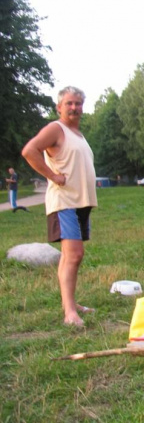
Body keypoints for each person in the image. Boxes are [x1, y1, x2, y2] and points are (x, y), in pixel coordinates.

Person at [21, 86, 98, 326]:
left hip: (80, 202)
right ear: (59, 107)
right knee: (74, 255)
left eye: (78, 103)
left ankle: (71, 304)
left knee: (70, 256)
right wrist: (53, 176)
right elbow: (29, 150)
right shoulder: (56, 129)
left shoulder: (78, 134)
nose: (74, 107)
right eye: (69, 103)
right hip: (65, 201)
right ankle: (69, 314)